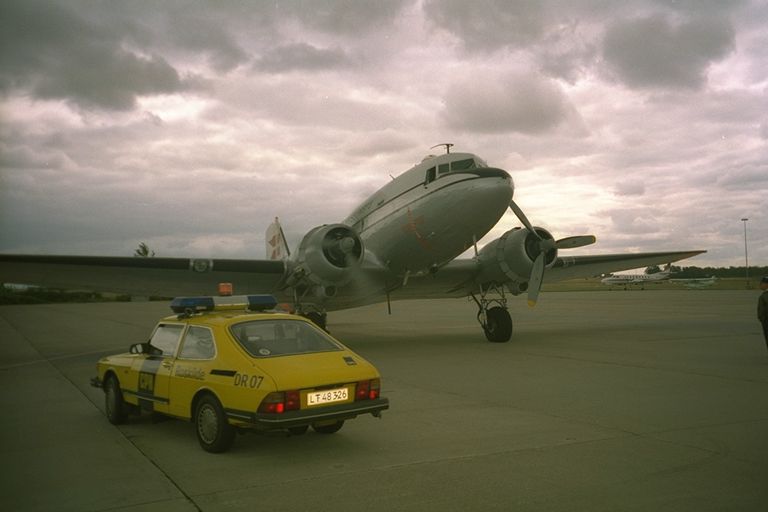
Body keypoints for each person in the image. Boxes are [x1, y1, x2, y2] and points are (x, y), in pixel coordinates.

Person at [759, 276, 768, 351]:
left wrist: (763, 319)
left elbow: (763, 311)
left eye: (762, 283)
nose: (760, 285)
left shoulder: (765, 296)